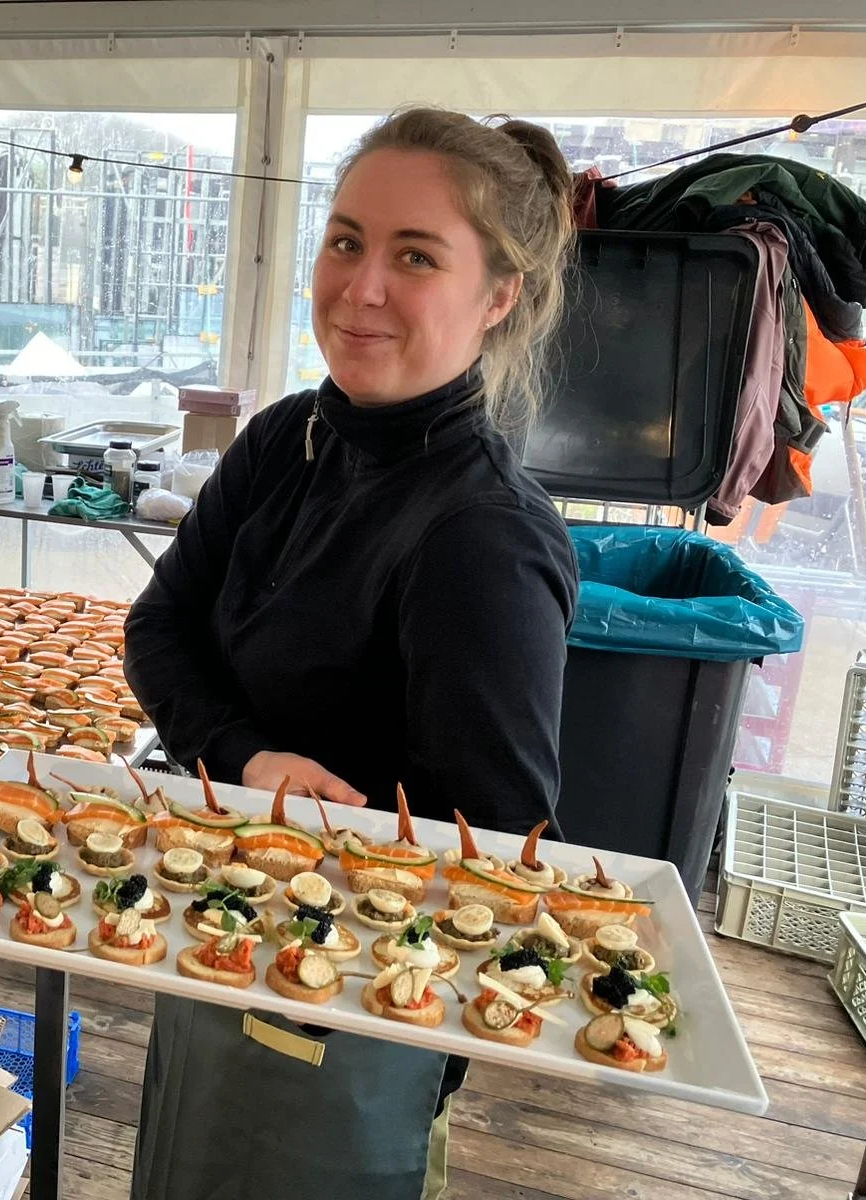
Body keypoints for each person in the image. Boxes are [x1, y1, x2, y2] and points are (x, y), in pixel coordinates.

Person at [122, 107, 581, 1200]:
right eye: (344, 241)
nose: (359, 287)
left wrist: (324, 884)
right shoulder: (289, 436)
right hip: (217, 926)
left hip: (357, 1000)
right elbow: (157, 629)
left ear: (498, 296)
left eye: (414, 256)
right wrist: (249, 761)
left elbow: (496, 846)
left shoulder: (482, 536)